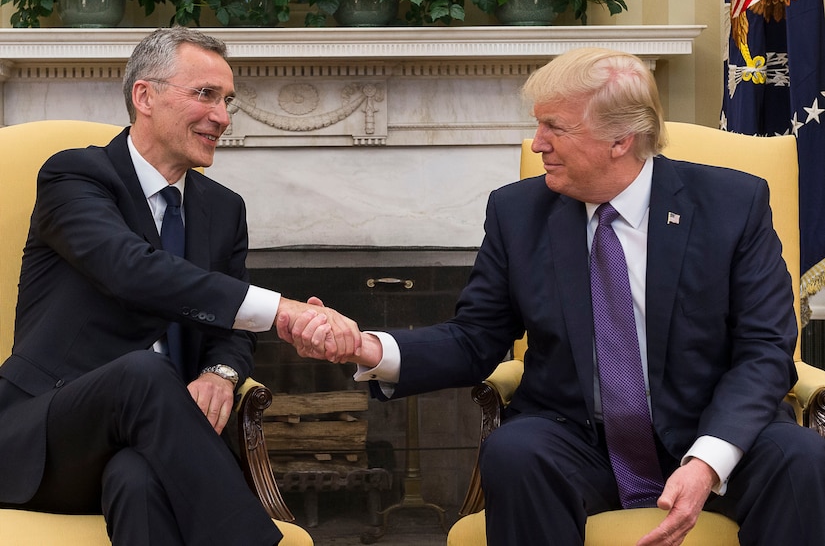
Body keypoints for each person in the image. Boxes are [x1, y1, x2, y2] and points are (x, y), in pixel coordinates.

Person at [281, 47, 825, 545]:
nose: (537, 143)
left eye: (553, 128)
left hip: (708, 426)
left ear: (621, 139)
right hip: (578, 440)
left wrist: (707, 461)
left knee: (801, 457)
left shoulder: (732, 204)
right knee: (515, 452)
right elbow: (476, 338)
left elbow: (765, 349)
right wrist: (366, 348)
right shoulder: (518, 212)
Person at [0, 26, 359, 545]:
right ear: (144, 96)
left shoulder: (223, 209)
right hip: (47, 438)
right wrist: (283, 310)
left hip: (152, 442)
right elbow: (131, 270)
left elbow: (232, 329)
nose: (223, 116)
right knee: (144, 371)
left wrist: (219, 373)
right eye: (205, 94)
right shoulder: (75, 176)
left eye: (227, 99)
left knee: (137, 480)